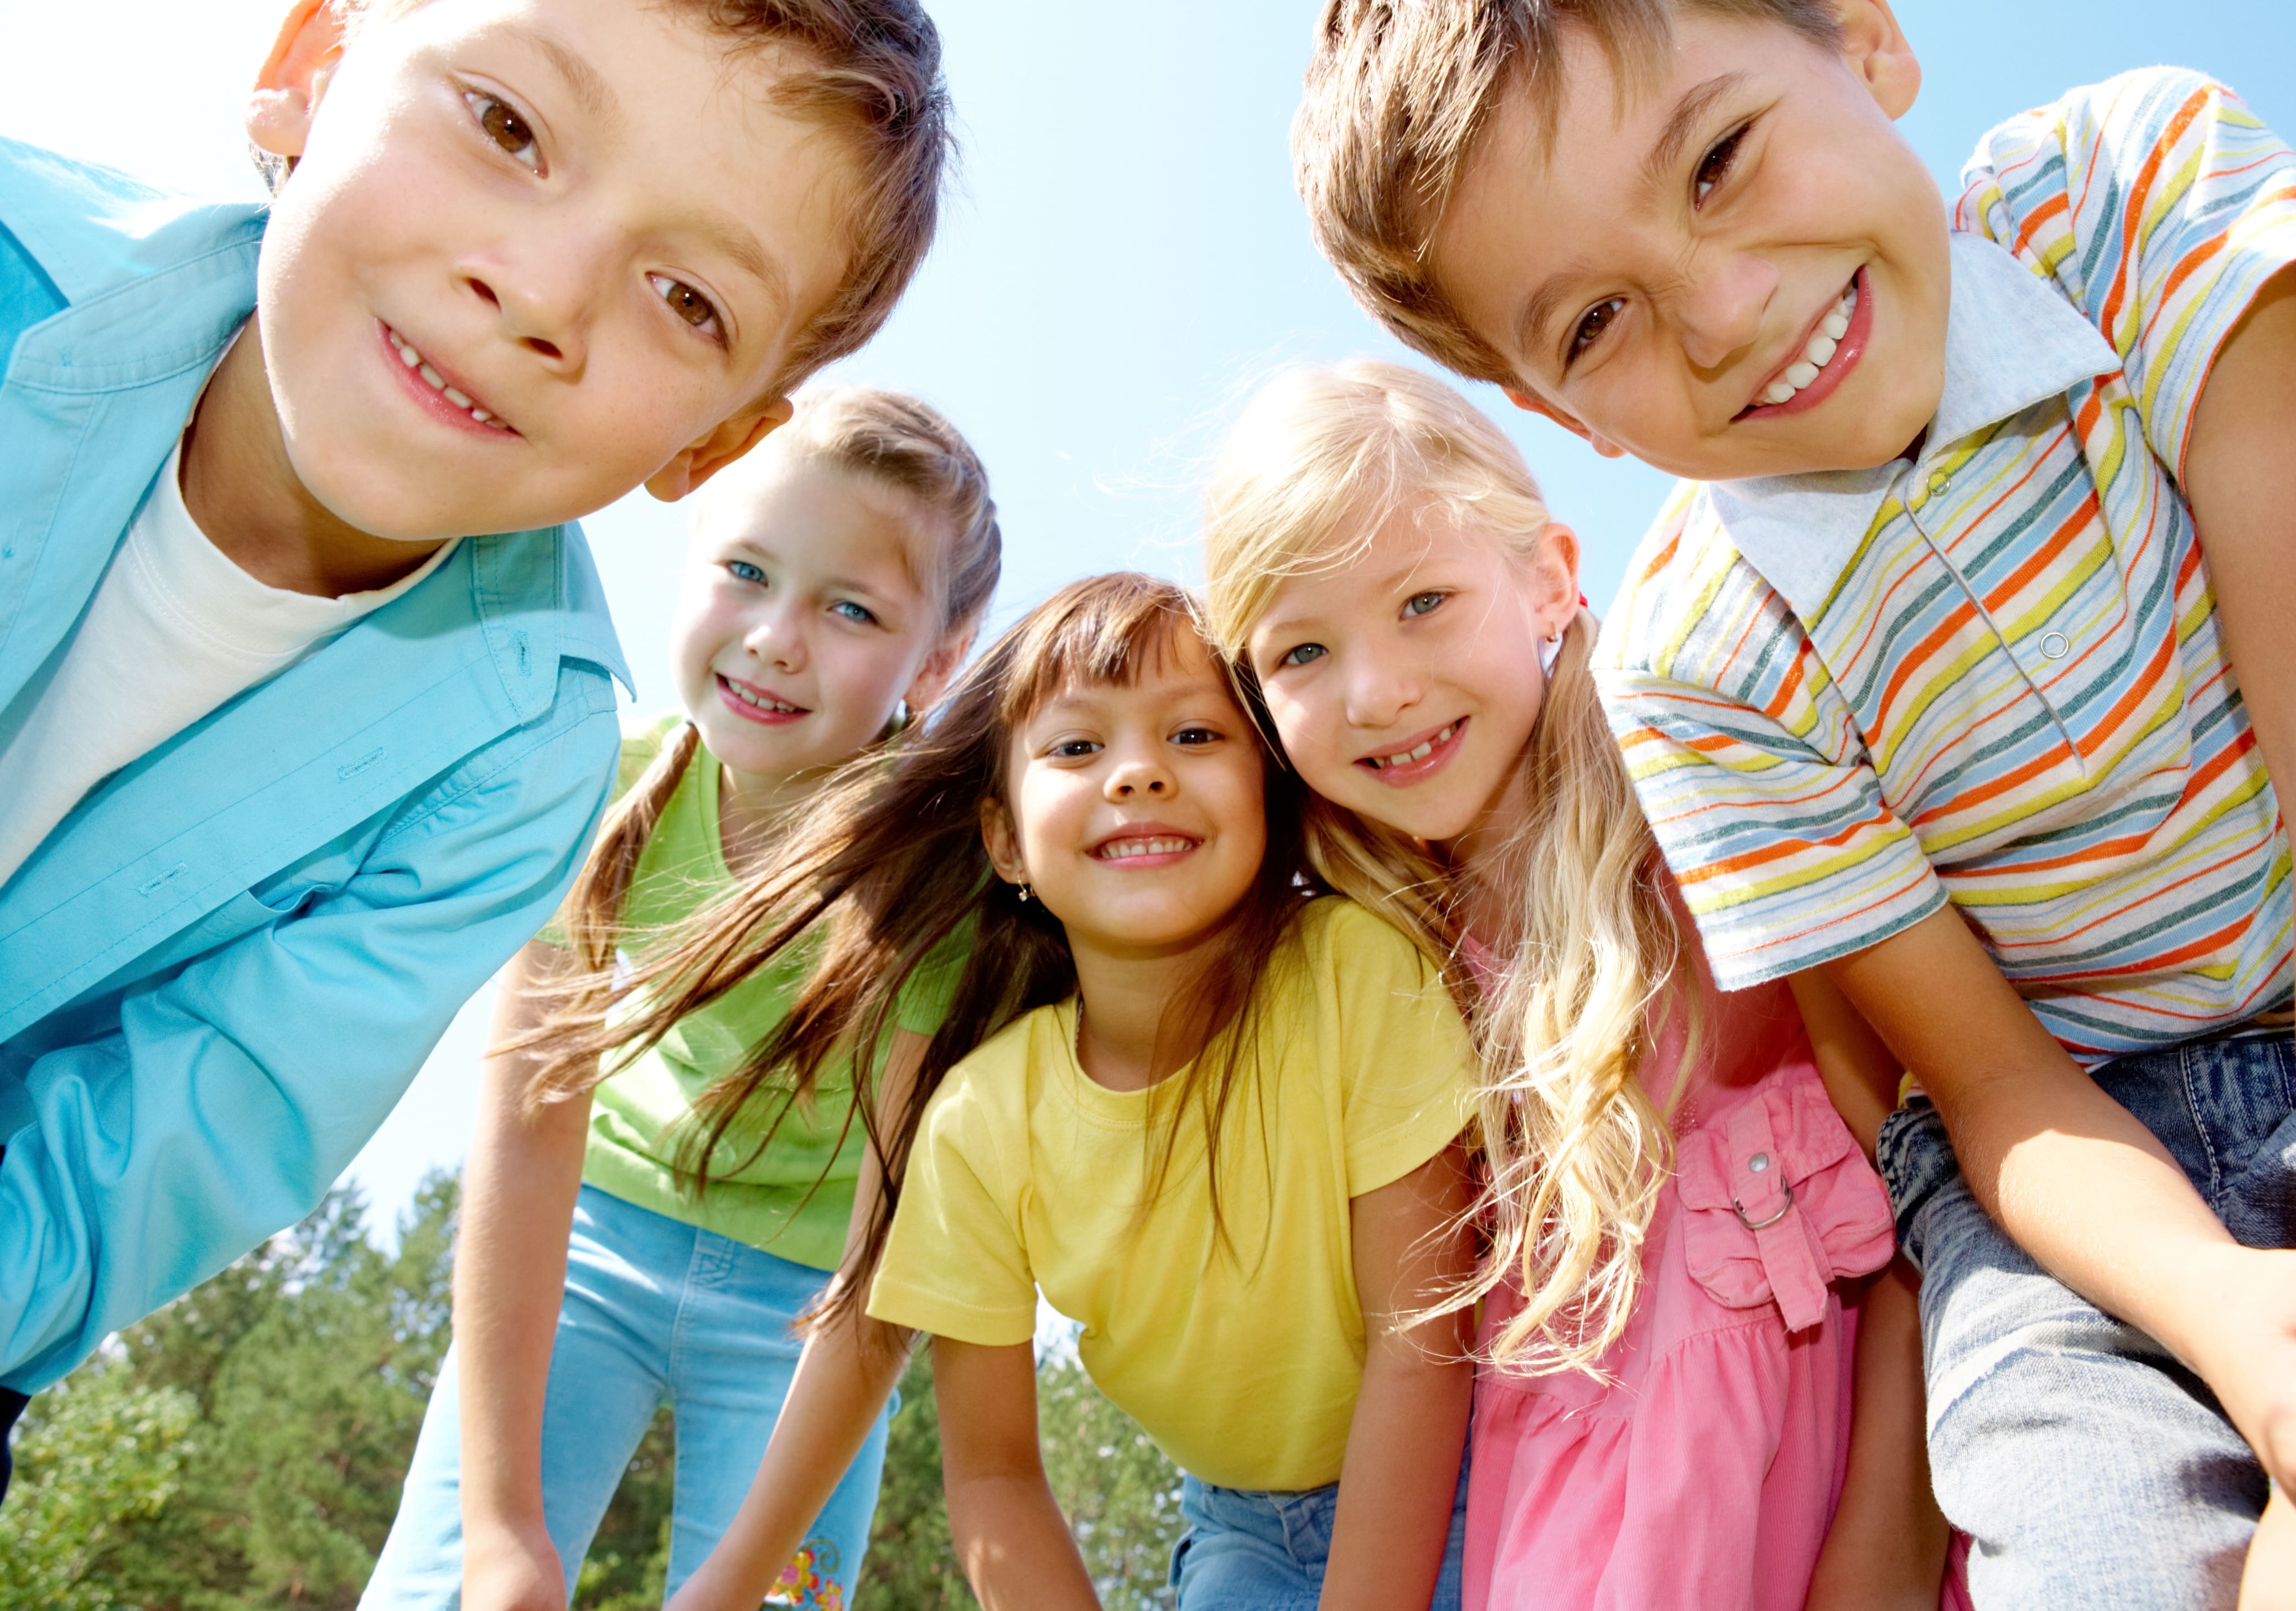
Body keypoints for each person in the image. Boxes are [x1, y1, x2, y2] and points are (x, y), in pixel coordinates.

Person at [1292, 2, 2296, 1605]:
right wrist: (2246, 1333)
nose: (1729, 309)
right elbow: (1993, 1085)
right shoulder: (1693, 665)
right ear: (1561, 416)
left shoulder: (2131, 188)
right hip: (2079, 1187)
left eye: (1722, 159)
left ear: (1867, 40)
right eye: (1599, 321)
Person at [0, 0, 955, 1499]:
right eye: (509, 128)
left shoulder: (518, 768)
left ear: (707, 446)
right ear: (307, 71)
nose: (543, 297)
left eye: (688, 299)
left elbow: (156, 1159)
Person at [551, 573, 1481, 1609]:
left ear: (1268, 787)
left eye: (1195, 737)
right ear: (1004, 841)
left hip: (1467, 1475)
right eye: (1078, 748)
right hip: (1241, 1528)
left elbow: (1423, 1342)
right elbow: (993, 1475)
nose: (1137, 775)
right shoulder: (981, 1122)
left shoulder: (1355, 971)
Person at [1199, 358, 1948, 1611]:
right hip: (1563, 1532)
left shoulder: (1709, 824)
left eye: (1424, 602)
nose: (1376, 689)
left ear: (1548, 578)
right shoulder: (1373, 965)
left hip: (1827, 1504)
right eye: (1304, 652)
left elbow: (1931, 1194)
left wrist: (1887, 1549)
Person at [361, 390, 997, 1610]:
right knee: (451, 1585)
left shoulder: (940, 893)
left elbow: (884, 1267)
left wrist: (748, 1569)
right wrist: (499, 1526)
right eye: (746, 571)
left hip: (806, 1318)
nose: (773, 638)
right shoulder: (600, 788)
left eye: (850, 607)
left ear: (938, 661)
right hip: (584, 1245)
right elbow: (527, 1124)